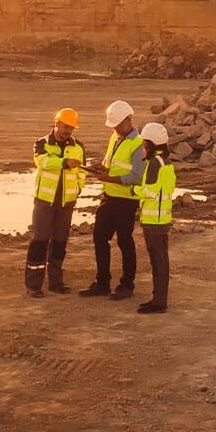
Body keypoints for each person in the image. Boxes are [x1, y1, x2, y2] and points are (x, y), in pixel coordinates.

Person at [79, 100, 144, 300]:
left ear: (128, 120)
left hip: (125, 201)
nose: (115, 128)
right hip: (108, 197)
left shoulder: (138, 144)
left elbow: (136, 176)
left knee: (125, 242)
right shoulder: (115, 137)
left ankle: (127, 285)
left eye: (117, 124)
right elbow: (113, 164)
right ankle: (103, 282)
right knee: (100, 237)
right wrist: (103, 168)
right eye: (113, 125)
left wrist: (109, 178)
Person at [25, 108, 86, 297]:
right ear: (56, 123)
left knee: (60, 242)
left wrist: (77, 190)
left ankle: (56, 281)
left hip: (66, 203)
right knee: (40, 241)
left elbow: (82, 173)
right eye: (65, 126)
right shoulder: (41, 143)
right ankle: (33, 285)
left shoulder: (78, 147)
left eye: (71, 127)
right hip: (45, 201)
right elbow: (42, 162)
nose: (68, 130)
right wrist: (64, 162)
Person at [134, 122, 176, 314]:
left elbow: (150, 192)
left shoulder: (153, 165)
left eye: (144, 143)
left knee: (157, 262)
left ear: (150, 143)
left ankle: (159, 302)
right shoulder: (166, 163)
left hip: (153, 221)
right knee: (162, 261)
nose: (143, 147)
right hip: (163, 219)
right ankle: (159, 298)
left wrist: (134, 190)